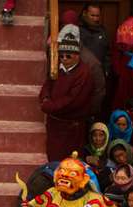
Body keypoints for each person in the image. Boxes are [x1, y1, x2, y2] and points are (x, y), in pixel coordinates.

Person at [39, 30, 94, 162]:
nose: (63, 59)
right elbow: (48, 84)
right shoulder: (58, 67)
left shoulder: (84, 73)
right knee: (52, 159)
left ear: (77, 56)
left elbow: (73, 101)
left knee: (69, 162)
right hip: (54, 125)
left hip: (71, 127)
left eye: (68, 56)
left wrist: (49, 106)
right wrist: (45, 98)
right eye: (61, 55)